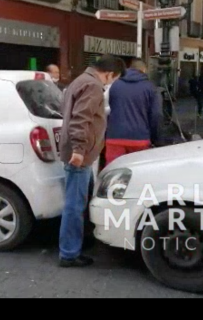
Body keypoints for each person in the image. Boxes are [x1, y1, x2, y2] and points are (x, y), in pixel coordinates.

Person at [58, 54, 122, 267]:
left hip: (81, 152)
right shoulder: (93, 86)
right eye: (112, 79)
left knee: (79, 202)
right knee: (74, 206)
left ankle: (78, 243)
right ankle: (69, 253)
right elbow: (80, 119)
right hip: (80, 155)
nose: (110, 83)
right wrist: (78, 150)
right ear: (109, 73)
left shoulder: (79, 81)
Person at [104, 58, 161, 166]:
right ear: (144, 70)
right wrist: (154, 138)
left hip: (115, 138)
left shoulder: (115, 85)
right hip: (140, 139)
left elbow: (107, 109)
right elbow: (156, 115)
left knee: (114, 173)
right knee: (138, 173)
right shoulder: (149, 87)